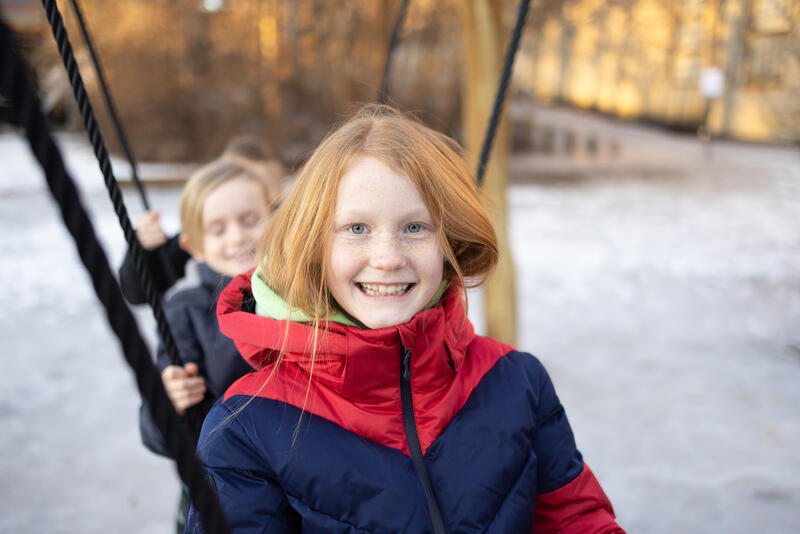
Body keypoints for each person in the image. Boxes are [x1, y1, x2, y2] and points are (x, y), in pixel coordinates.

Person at [186, 105, 624, 533]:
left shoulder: (516, 382)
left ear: (448, 240)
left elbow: (577, 518)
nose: (388, 258)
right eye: (357, 229)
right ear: (315, 244)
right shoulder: (248, 425)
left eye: (415, 228)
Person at [138, 156, 276, 533]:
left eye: (250, 220)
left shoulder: (300, 296)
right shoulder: (185, 310)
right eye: (217, 229)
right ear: (193, 246)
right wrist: (167, 402)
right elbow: (159, 432)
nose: (237, 237)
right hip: (220, 483)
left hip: (297, 472)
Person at [118, 135, 285, 304]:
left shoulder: (296, 241)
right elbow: (137, 292)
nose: (238, 237)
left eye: (272, 202)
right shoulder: (207, 243)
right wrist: (143, 249)